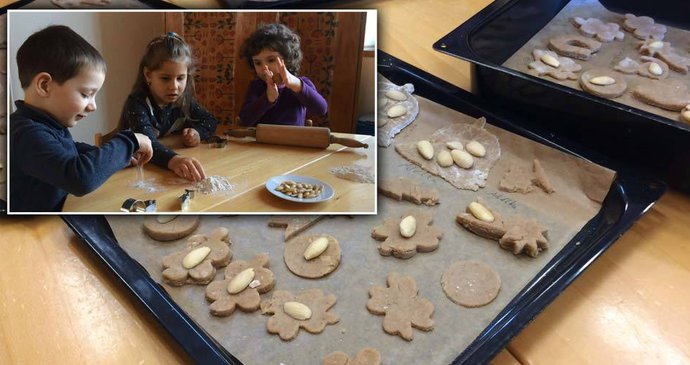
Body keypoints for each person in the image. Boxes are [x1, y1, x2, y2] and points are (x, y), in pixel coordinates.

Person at [10, 25, 153, 212]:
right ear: (45, 85)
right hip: (33, 234)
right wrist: (130, 141)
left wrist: (114, 159)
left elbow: (69, 150)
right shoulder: (26, 134)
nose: (93, 106)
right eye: (86, 94)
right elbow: (79, 178)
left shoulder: (45, 124)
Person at [120, 32, 218, 182]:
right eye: (165, 78)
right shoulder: (137, 103)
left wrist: (199, 133)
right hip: (129, 173)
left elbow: (210, 119)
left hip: (153, 167)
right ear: (148, 75)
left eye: (180, 78)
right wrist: (174, 160)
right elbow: (146, 145)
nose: (174, 87)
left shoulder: (183, 100)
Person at [239, 23, 328, 127]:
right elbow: (245, 120)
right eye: (258, 63)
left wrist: (296, 85)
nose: (264, 67)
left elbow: (321, 109)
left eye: (271, 60)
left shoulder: (301, 84)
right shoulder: (256, 86)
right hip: (263, 142)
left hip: (293, 141)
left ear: (287, 59)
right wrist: (267, 99)